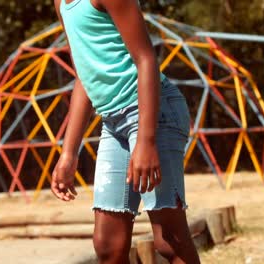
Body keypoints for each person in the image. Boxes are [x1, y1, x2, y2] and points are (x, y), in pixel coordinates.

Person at [50, 0, 201, 263]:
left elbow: (145, 59)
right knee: (108, 244)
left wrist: (146, 140)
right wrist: (68, 153)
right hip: (113, 122)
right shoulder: (61, 3)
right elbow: (84, 77)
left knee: (169, 239)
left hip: (153, 113)